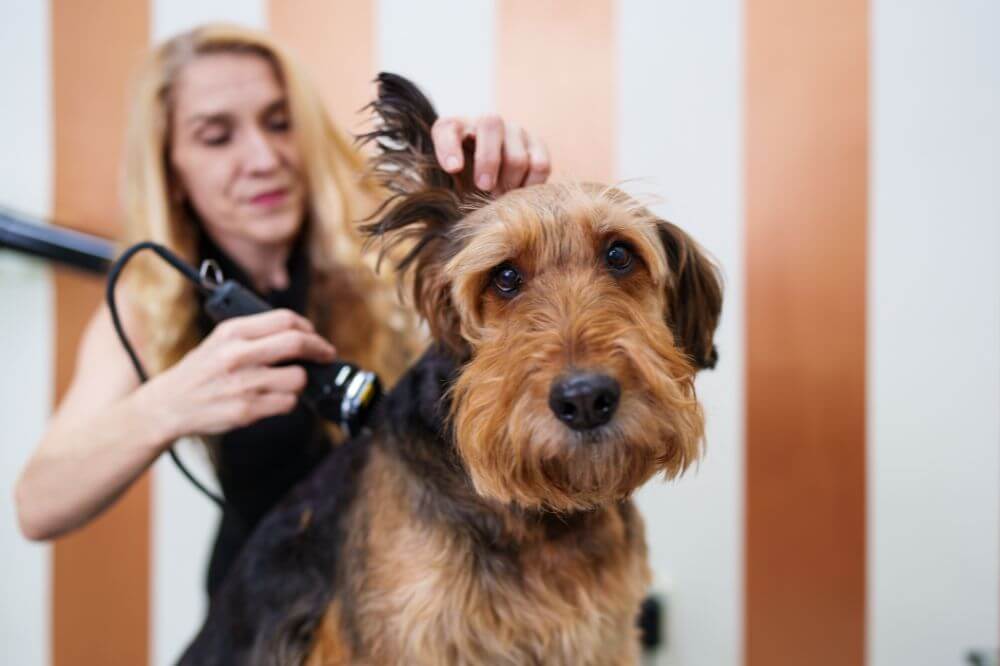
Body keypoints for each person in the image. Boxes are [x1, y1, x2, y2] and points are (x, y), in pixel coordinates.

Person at [14, 24, 550, 596]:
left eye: (279, 122)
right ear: (172, 171)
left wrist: (481, 211)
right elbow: (38, 505)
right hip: (260, 609)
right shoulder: (150, 301)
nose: (264, 158)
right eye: (217, 137)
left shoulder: (391, 251)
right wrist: (167, 405)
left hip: (410, 594)